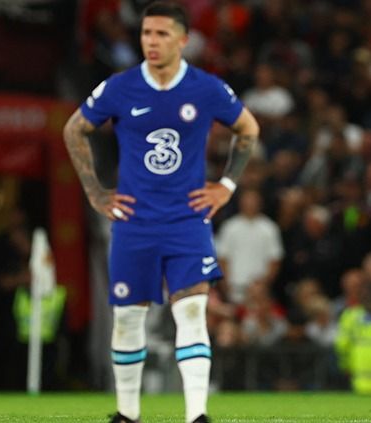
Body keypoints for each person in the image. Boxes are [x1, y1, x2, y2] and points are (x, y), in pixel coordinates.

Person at [62, 2, 259, 422]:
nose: (151, 41)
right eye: (146, 33)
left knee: (190, 311)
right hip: (134, 223)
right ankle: (127, 414)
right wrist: (96, 192)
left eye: (162, 34)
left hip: (187, 220)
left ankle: (197, 415)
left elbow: (248, 128)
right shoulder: (120, 86)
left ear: (183, 40)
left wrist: (225, 186)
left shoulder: (206, 88)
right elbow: (74, 128)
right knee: (129, 319)